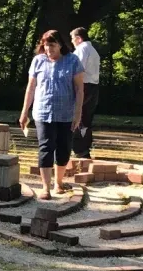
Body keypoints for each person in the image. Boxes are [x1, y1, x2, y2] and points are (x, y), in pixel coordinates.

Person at [19, 30, 85, 200]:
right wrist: (24, 111)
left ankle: (59, 182)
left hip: (66, 114)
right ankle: (46, 187)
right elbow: (31, 88)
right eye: (46, 45)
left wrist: (78, 113)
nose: (48, 49)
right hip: (43, 111)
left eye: (52, 45)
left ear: (61, 45)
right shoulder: (38, 61)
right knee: (46, 148)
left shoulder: (73, 61)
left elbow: (79, 89)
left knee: (63, 148)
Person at [70, 27, 100, 159]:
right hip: (93, 87)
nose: (72, 42)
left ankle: (79, 149)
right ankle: (85, 148)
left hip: (83, 86)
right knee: (86, 118)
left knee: (78, 116)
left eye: (72, 39)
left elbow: (77, 69)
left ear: (78, 38)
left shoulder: (82, 49)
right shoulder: (94, 51)